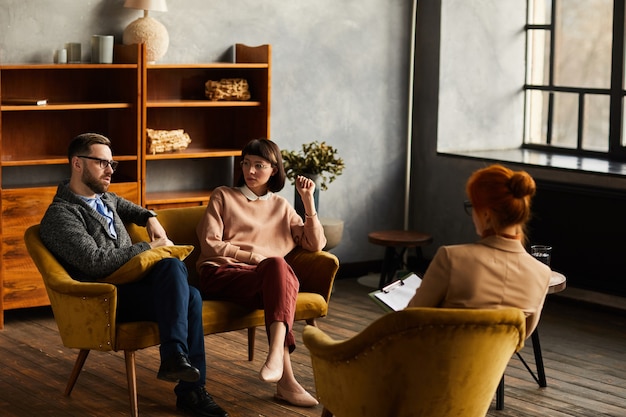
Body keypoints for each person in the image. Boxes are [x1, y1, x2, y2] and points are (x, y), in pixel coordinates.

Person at [39, 133, 229, 417]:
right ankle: (189, 388)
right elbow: (94, 262)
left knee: (185, 287)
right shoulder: (61, 215)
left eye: (111, 163)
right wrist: (149, 247)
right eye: (102, 163)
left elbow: (132, 208)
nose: (110, 170)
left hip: (133, 288)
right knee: (185, 288)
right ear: (77, 164)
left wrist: (150, 217)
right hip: (104, 300)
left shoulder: (106, 198)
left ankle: (178, 365)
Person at [196, 139, 325, 408]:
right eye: (246, 164)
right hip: (221, 273)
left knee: (278, 268)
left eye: (258, 165)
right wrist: (253, 257)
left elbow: (315, 244)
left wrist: (308, 203)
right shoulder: (223, 195)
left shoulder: (281, 206)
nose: (250, 171)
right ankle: (284, 375)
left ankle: (279, 362)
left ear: (274, 170)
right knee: (278, 268)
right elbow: (210, 243)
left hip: (261, 279)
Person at [407, 164, 551, 336]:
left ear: (486, 215)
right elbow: (520, 338)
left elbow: (409, 321)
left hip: (437, 361)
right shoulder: (541, 274)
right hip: (492, 363)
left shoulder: (451, 259)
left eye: (473, 206)